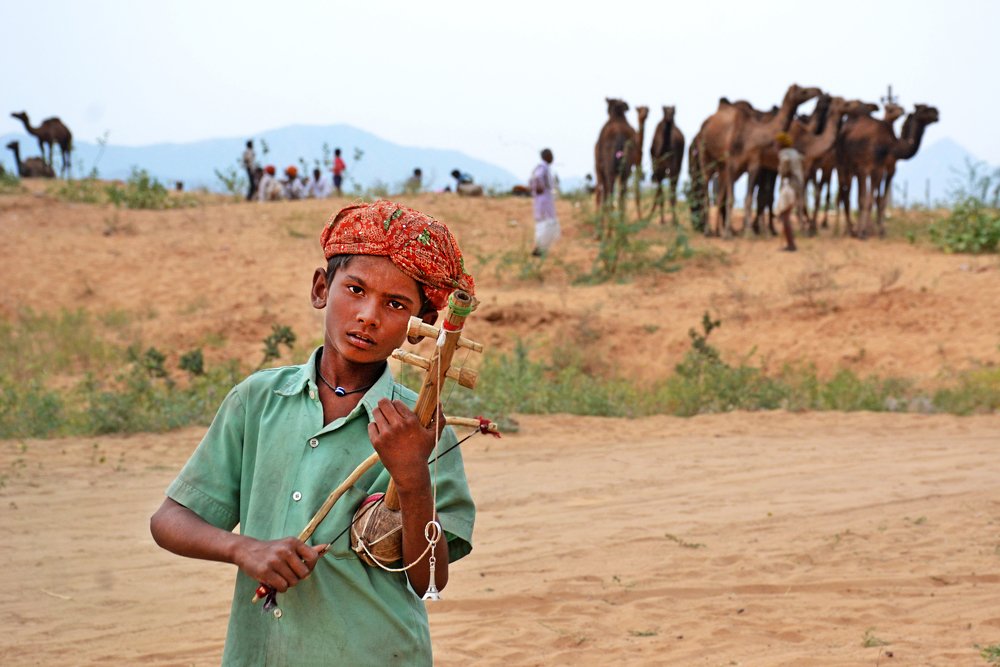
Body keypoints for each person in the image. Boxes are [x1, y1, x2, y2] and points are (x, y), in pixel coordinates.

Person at [150, 200, 477, 665]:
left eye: (396, 304)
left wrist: (412, 478)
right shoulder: (258, 400)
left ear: (417, 329)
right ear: (322, 288)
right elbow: (168, 521)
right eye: (356, 289)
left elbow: (428, 582)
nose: (368, 315)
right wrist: (243, 548)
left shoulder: (421, 427)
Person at [775, 132, 804, 252]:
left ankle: (791, 244)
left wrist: (783, 171)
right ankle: (790, 243)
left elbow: (785, 163)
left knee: (784, 215)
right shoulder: (795, 153)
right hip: (797, 185)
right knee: (785, 214)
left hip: (789, 185)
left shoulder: (784, 154)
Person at [529, 148, 560, 256]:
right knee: (546, 223)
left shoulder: (543, 167)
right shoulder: (543, 167)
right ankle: (540, 248)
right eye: (551, 155)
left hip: (543, 199)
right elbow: (537, 177)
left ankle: (541, 248)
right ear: (546, 156)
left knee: (544, 223)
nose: (552, 157)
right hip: (544, 200)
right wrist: (540, 187)